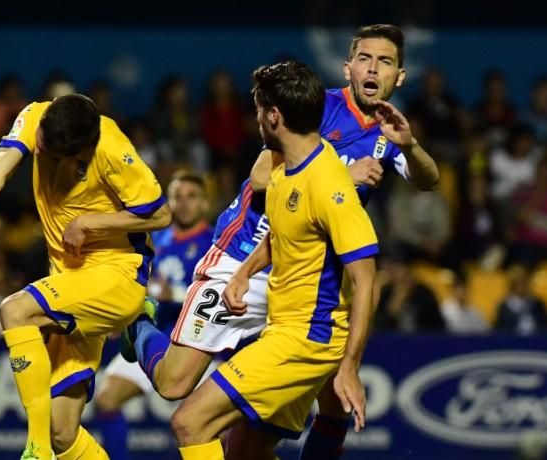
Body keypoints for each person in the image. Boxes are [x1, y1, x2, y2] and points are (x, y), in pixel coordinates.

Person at [122, 24, 439, 460]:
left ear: (399, 76)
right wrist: (338, 176)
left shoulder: (390, 132)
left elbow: (429, 180)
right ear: (348, 67)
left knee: (312, 410)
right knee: (176, 384)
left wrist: (412, 145)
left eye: (384, 61)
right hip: (244, 257)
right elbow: (259, 177)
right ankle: (137, 322)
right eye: (365, 58)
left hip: (305, 279)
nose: (373, 68)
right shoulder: (316, 106)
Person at [0, 94, 172, 460]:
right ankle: (132, 327)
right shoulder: (38, 114)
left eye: (50, 152)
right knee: (63, 432)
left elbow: (160, 215)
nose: (38, 146)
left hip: (116, 275)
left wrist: (91, 222)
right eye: (39, 137)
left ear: (79, 153)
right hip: (70, 281)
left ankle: (35, 450)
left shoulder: (112, 150)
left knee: (15, 310)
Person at [170, 60, 378, 460]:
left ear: (274, 115)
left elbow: (368, 280)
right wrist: (243, 274)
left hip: (307, 339)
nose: (256, 120)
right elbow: (282, 234)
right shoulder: (284, 171)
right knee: (245, 452)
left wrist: (349, 365)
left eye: (258, 110)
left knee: (190, 422)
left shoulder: (331, 186)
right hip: (283, 327)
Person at [94, 170, 213, 460]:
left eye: (192, 196)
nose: (184, 203)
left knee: (211, 427)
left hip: (200, 344)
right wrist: (120, 315)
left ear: (205, 203)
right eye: (177, 197)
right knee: (107, 400)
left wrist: (171, 293)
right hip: (155, 338)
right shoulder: (155, 238)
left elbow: (222, 295)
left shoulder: (215, 241)